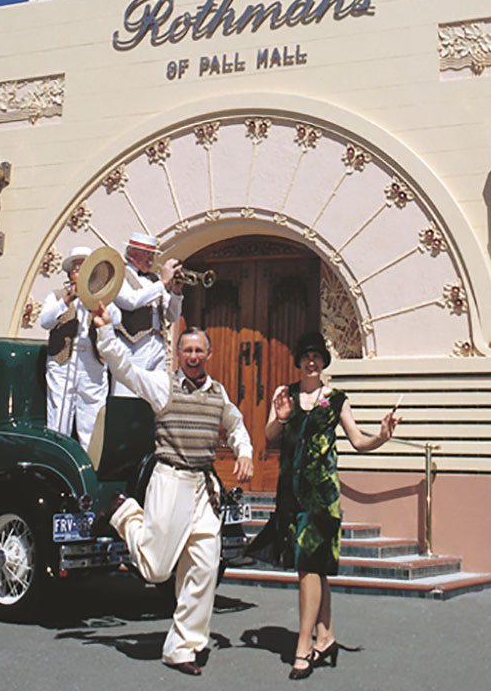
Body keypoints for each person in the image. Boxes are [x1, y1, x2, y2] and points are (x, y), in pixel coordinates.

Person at [92, 320, 253, 677]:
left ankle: (183, 647)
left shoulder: (218, 393)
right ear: (177, 354)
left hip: (204, 487)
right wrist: (104, 331)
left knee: (204, 565)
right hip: (170, 481)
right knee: (155, 568)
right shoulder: (162, 385)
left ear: (208, 354)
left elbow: (237, 423)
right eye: (187, 350)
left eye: (199, 350)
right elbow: (125, 368)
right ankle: (124, 513)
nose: (193, 356)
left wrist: (245, 452)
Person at [248, 331, 400, 679]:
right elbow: (270, 437)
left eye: (317, 356)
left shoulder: (336, 399)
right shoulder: (284, 394)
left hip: (322, 497)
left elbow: (359, 441)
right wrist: (281, 416)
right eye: (306, 356)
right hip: (291, 493)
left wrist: (382, 436)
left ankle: (303, 647)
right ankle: (327, 635)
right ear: (299, 361)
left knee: (307, 566)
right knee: (314, 567)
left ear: (323, 362)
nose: (311, 361)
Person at [36, 245, 115, 448]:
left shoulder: (103, 296)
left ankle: (91, 464)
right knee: (59, 415)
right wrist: (68, 299)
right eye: (76, 268)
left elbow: (116, 319)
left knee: (92, 415)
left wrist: (99, 303)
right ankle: (58, 456)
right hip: (63, 362)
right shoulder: (56, 295)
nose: (79, 272)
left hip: (92, 362)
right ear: (70, 273)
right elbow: (45, 321)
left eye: (85, 267)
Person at [110, 232, 182, 400]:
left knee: (155, 393)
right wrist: (162, 283)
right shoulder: (119, 274)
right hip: (131, 345)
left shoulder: (153, 279)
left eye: (153, 255)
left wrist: (177, 292)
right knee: (128, 393)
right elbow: (131, 301)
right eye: (147, 254)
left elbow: (172, 316)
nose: (152, 259)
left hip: (157, 344)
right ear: (133, 254)